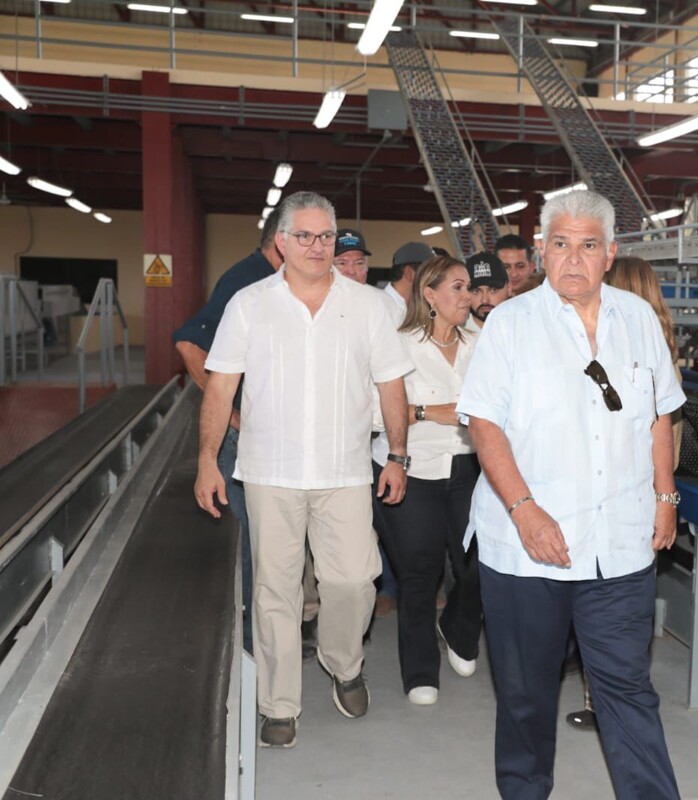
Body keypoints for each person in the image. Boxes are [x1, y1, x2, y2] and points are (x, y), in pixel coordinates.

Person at [458, 190, 685, 799]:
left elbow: (659, 415)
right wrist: (524, 509)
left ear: (610, 253)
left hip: (620, 544)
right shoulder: (510, 324)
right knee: (527, 695)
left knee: (628, 690)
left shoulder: (638, 320)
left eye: (588, 245)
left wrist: (667, 497)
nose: (574, 258)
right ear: (540, 252)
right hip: (528, 549)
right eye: (560, 244)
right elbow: (484, 425)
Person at [194, 191, 413, 749]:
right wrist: (206, 462)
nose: (318, 246)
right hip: (270, 471)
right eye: (306, 236)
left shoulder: (367, 306)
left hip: (344, 471)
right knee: (275, 591)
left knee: (353, 580)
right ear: (282, 243)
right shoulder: (249, 303)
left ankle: (344, 664)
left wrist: (397, 454)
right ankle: (279, 703)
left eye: (326, 236)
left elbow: (392, 384)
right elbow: (219, 386)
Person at [567, 254, 685, 731]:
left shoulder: (621, 340)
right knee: (626, 608)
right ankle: (613, 695)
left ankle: (601, 698)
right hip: (649, 490)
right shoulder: (664, 341)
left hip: (616, 488)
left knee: (601, 603)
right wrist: (667, 498)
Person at [371, 255, 484, 706]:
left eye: (470, 288)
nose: (468, 297)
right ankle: (420, 669)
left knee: (479, 563)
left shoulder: (482, 341)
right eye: (458, 287)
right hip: (410, 465)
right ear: (430, 294)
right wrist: (427, 412)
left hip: (470, 465)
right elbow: (377, 411)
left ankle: (456, 626)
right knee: (419, 570)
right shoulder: (399, 343)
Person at [173, 207, 283, 653]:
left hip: (274, 440)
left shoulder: (278, 283)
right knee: (256, 547)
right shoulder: (248, 280)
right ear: (282, 242)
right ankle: (253, 647)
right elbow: (188, 341)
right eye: (307, 240)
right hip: (245, 444)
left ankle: (267, 639)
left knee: (271, 545)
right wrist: (232, 414)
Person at [333, 228, 401, 621]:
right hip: (336, 439)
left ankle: (387, 586)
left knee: (380, 516)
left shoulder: (382, 306)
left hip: (374, 435)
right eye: (343, 263)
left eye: (359, 263)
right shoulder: (314, 310)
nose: (353, 271)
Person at [385, 242, 436, 322]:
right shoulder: (380, 307)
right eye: (431, 273)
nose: (435, 279)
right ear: (409, 273)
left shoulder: (419, 308)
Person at [465, 250, 511, 332]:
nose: (485, 300)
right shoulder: (456, 339)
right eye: (475, 291)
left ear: (509, 288)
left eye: (493, 290)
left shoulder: (525, 327)